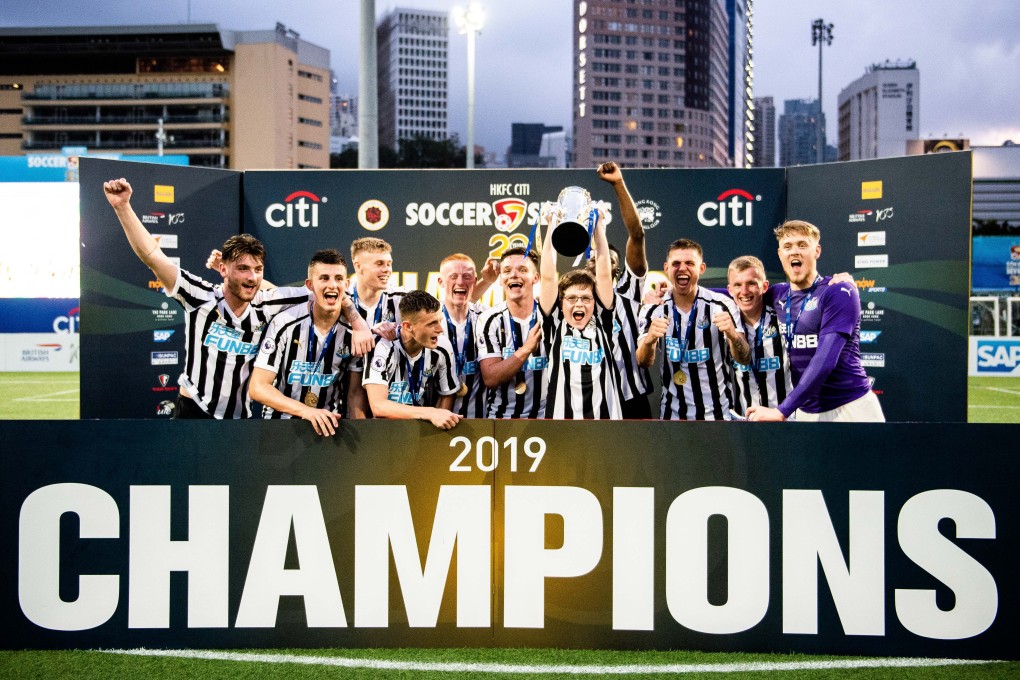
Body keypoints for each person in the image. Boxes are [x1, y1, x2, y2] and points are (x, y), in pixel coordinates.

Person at [102, 177, 371, 419]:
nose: (252, 277)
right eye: (243, 269)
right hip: (192, 412)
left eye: (257, 270)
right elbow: (152, 255)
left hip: (238, 422)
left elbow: (329, 293)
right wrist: (122, 207)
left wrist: (358, 323)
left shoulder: (269, 303)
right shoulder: (200, 297)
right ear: (223, 269)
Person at [746, 220, 885, 422]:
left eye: (802, 245)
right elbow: (736, 294)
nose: (794, 252)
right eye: (787, 246)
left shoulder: (838, 291)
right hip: (807, 410)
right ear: (779, 254)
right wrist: (685, 293)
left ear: (817, 251)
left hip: (851, 407)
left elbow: (825, 361)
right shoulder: (778, 294)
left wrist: (781, 410)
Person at [249, 249, 368, 435]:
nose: (332, 285)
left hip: (329, 429)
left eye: (338, 278)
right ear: (310, 285)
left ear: (347, 284)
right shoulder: (284, 323)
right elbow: (258, 387)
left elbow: (355, 394)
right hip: (279, 427)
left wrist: (361, 436)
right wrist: (307, 412)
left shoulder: (356, 333)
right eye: (324, 278)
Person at [636, 239, 751, 420]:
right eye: (676, 263)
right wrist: (650, 340)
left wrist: (732, 334)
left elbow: (744, 358)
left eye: (689, 263)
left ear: (701, 268)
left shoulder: (722, 305)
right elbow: (643, 361)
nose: (682, 268)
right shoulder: (653, 307)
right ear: (666, 269)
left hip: (718, 415)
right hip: (672, 416)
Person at [540, 206, 622, 419]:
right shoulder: (556, 322)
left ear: (595, 302)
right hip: (561, 425)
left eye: (586, 298)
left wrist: (598, 227)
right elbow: (548, 275)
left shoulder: (602, 321)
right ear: (561, 302)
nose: (579, 305)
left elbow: (603, 271)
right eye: (572, 298)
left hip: (606, 423)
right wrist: (552, 225)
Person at [596, 161, 654, 419]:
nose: (600, 264)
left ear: (619, 269)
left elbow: (637, 234)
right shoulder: (572, 300)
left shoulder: (628, 291)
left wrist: (618, 184)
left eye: (609, 261)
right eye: (595, 259)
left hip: (631, 401)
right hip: (591, 403)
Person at [362, 290, 462, 430]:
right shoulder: (381, 345)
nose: (440, 329)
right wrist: (430, 413)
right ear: (407, 326)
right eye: (432, 323)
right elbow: (378, 406)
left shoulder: (442, 347)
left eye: (440, 321)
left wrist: (439, 426)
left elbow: (446, 394)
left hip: (422, 429)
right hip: (382, 431)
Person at [476, 247, 548, 418]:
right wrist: (526, 349)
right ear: (501, 279)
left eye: (522, 270)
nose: (514, 275)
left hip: (547, 419)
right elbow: (491, 379)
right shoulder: (488, 319)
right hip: (502, 419)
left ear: (535, 278)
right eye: (507, 271)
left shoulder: (550, 317)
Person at [725, 255, 792, 417]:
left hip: (785, 417)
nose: (744, 291)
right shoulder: (725, 322)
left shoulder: (782, 318)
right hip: (744, 420)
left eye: (751, 283)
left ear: (764, 286)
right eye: (738, 285)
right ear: (729, 290)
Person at [435, 253, 497, 418]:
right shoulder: (429, 320)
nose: (460, 282)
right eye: (453, 276)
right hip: (434, 419)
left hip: (478, 421)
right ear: (441, 282)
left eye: (467, 276)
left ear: (475, 281)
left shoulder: (488, 318)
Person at [349, 237, 404, 340]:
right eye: (379, 264)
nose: (387, 269)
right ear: (358, 266)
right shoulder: (340, 298)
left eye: (389, 264)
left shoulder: (402, 298)